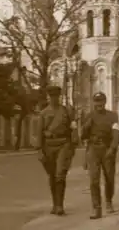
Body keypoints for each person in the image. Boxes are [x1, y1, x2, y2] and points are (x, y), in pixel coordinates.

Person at [35, 85, 78, 216]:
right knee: (52, 176)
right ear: (48, 97)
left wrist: (73, 144)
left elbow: (73, 128)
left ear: (59, 97)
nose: (53, 99)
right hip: (48, 146)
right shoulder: (43, 113)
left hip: (63, 144)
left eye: (56, 96)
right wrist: (39, 150)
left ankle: (60, 205)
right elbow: (39, 133)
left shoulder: (66, 112)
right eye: (51, 96)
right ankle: (55, 204)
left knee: (60, 174)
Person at [81, 92, 119, 219]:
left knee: (109, 178)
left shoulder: (112, 116)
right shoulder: (88, 116)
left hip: (107, 149)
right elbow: (82, 137)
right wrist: (86, 127)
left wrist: (112, 149)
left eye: (101, 102)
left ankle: (108, 201)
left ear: (105, 102)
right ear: (94, 103)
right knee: (94, 180)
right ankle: (96, 208)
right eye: (97, 102)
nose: (99, 104)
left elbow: (116, 134)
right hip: (93, 149)